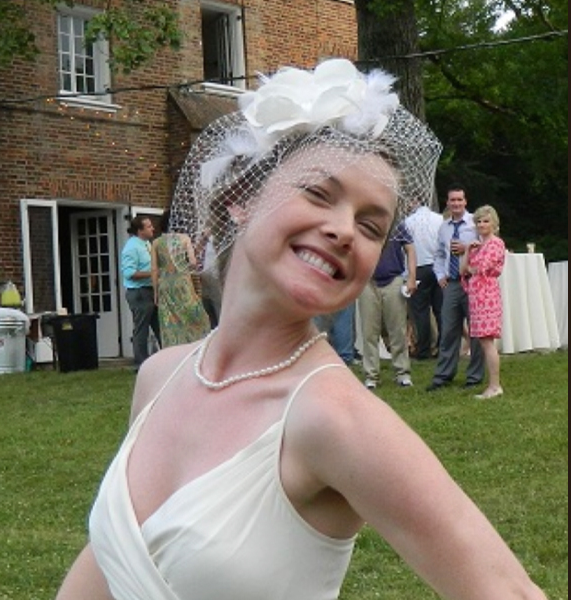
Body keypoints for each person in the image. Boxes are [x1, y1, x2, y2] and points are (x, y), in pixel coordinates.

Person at [56, 59, 546, 600]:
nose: (342, 230)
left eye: (369, 226)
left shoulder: (333, 417)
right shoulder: (159, 375)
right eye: (317, 193)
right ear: (240, 198)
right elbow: (113, 558)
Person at [426, 185, 485, 391]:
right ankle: (443, 376)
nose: (456, 204)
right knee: (449, 330)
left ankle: (474, 376)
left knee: (476, 332)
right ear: (448, 203)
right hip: (451, 283)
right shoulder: (444, 227)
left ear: (465, 202)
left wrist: (465, 249)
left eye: (460, 200)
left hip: (472, 283)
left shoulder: (475, 224)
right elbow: (440, 254)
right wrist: (440, 274)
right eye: (453, 200)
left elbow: (487, 249)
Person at [358, 220, 417, 388]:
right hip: (367, 282)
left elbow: (410, 249)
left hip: (394, 280)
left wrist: (412, 277)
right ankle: (371, 376)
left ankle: (402, 373)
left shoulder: (398, 225)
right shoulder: (362, 222)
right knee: (369, 331)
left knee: (397, 330)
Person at [460, 205, 506, 399]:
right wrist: (468, 250)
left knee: (488, 342)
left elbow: (479, 267)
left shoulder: (495, 244)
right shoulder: (478, 246)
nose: (481, 224)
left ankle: (495, 386)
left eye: (485, 221)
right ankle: (493, 385)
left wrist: (472, 265)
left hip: (487, 296)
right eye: (478, 221)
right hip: (477, 296)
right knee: (482, 341)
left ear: (493, 223)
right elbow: (463, 269)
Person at [151, 209, 211, 347]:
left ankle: (172, 348)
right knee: (194, 316)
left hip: (165, 285)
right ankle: (195, 344)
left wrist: (155, 291)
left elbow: (154, 269)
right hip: (183, 282)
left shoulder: (156, 242)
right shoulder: (184, 239)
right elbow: (193, 262)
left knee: (169, 320)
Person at [121, 215, 161, 371]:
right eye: (149, 226)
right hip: (139, 292)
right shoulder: (131, 247)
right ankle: (141, 363)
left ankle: (164, 359)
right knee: (141, 328)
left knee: (159, 326)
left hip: (151, 291)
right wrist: (153, 273)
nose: (153, 228)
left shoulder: (147, 245)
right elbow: (129, 273)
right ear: (140, 230)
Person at [405, 201, 444, 359]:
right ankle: (444, 347)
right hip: (438, 266)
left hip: (420, 267)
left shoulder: (408, 222)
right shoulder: (439, 219)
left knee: (420, 311)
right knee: (440, 310)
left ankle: (424, 349)